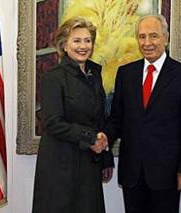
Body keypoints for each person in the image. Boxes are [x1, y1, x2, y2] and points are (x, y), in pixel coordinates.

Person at [104, 14, 181, 213]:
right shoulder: (126, 74)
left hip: (167, 173)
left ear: (165, 38)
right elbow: (117, 119)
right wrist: (103, 137)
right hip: (132, 172)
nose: (147, 43)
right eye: (142, 37)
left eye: (153, 36)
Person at [32, 17, 114, 213]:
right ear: (64, 45)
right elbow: (53, 123)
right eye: (76, 40)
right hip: (60, 166)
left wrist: (105, 158)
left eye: (87, 40)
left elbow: (99, 118)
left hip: (89, 164)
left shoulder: (94, 74)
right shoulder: (53, 77)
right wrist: (90, 137)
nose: (83, 46)